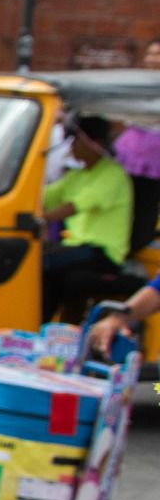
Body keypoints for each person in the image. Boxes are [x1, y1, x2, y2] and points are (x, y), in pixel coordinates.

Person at [41, 115, 134, 322]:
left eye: (75, 141)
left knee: (44, 264)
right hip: (77, 249)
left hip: (102, 253)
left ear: (95, 144)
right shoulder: (76, 176)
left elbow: (74, 206)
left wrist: (41, 218)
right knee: (40, 264)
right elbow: (45, 197)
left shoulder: (112, 175)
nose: (71, 147)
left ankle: (39, 328)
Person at [110, 36, 160, 254]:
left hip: (154, 160)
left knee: (146, 206)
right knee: (122, 203)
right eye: (150, 54)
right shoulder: (137, 82)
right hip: (129, 154)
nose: (152, 59)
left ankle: (136, 248)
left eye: (157, 54)